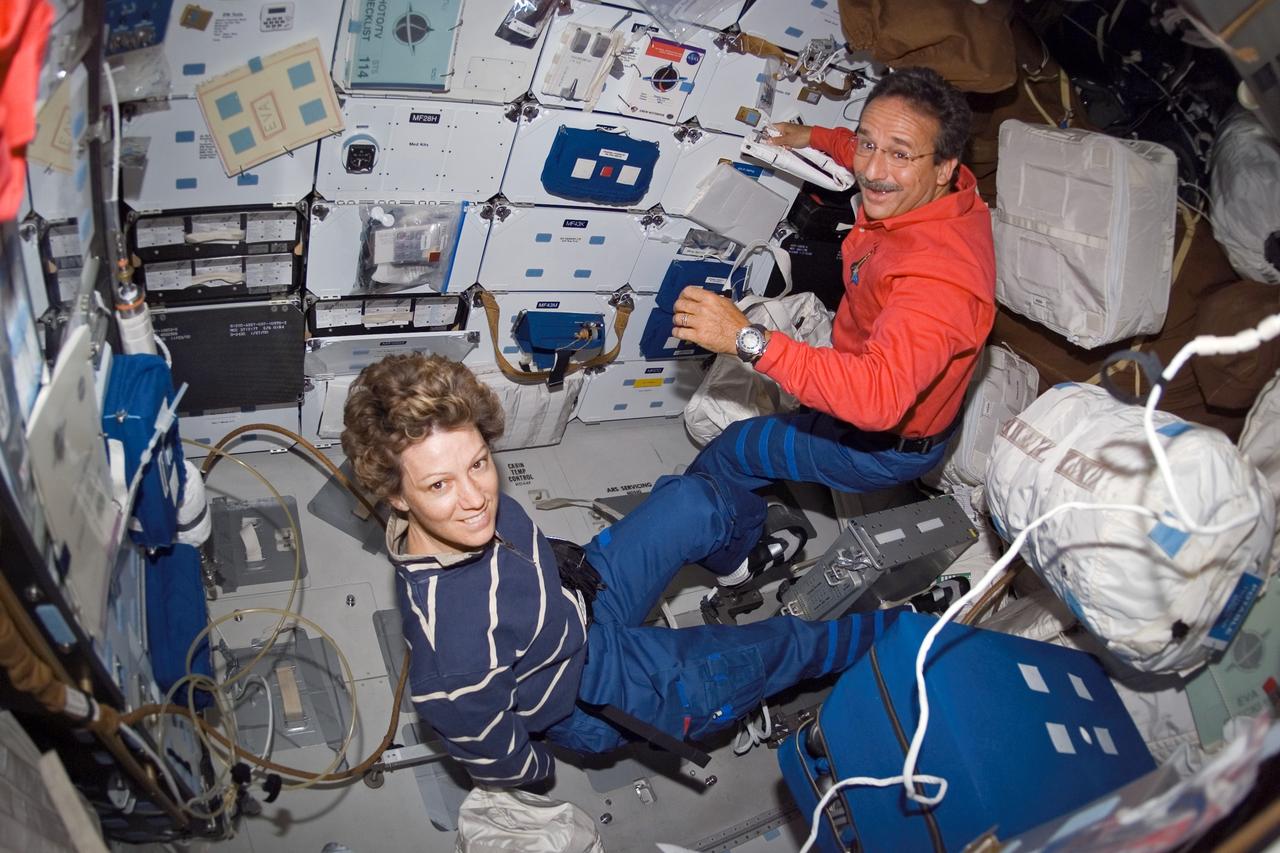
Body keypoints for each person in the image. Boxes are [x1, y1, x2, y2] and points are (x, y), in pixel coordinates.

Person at [341, 352, 902, 787]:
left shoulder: (470, 509)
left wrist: (552, 563)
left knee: (693, 502)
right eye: (438, 485)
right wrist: (549, 761)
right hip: (589, 685)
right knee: (780, 648)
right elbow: (499, 760)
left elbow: (499, 534)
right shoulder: (451, 662)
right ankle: (909, 631)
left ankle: (735, 566)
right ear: (395, 495)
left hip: (575, 596)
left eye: (479, 463)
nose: (475, 499)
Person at [671, 66, 996, 584]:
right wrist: (813, 138)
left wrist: (745, 339)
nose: (872, 170)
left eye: (898, 153)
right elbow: (872, 149)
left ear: (943, 167)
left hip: (881, 439)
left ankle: (732, 558)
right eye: (869, 144)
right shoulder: (942, 187)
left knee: (734, 452)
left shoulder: (940, 280)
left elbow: (877, 399)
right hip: (891, 388)